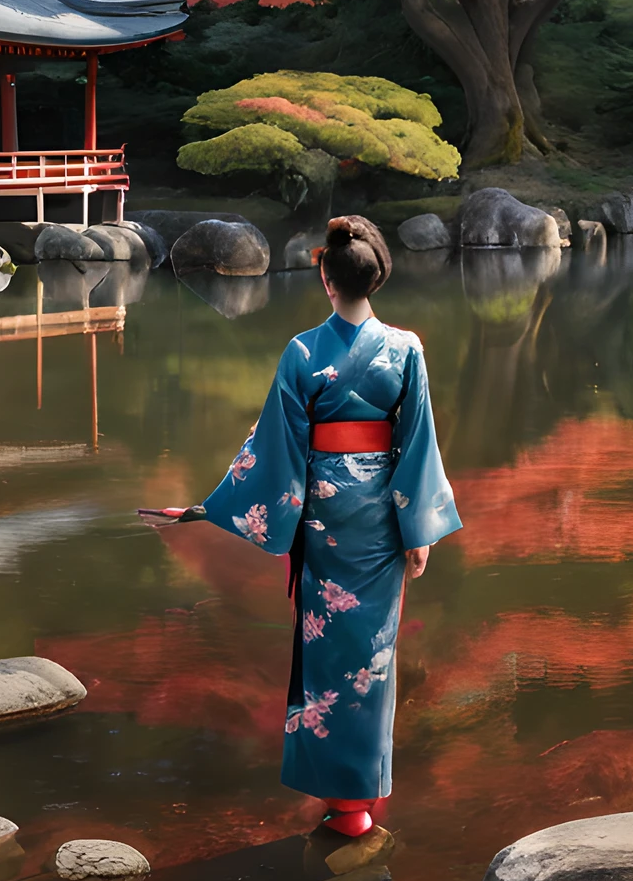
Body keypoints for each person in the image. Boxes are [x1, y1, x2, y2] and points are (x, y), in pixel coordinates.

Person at [178, 216, 462, 838]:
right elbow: (417, 445)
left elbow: (275, 450)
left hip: (325, 519)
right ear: (375, 279)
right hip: (384, 518)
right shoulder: (406, 347)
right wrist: (420, 530)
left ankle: (340, 800)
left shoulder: (303, 351)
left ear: (326, 280)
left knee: (329, 653)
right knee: (373, 654)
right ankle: (362, 798)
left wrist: (216, 504)